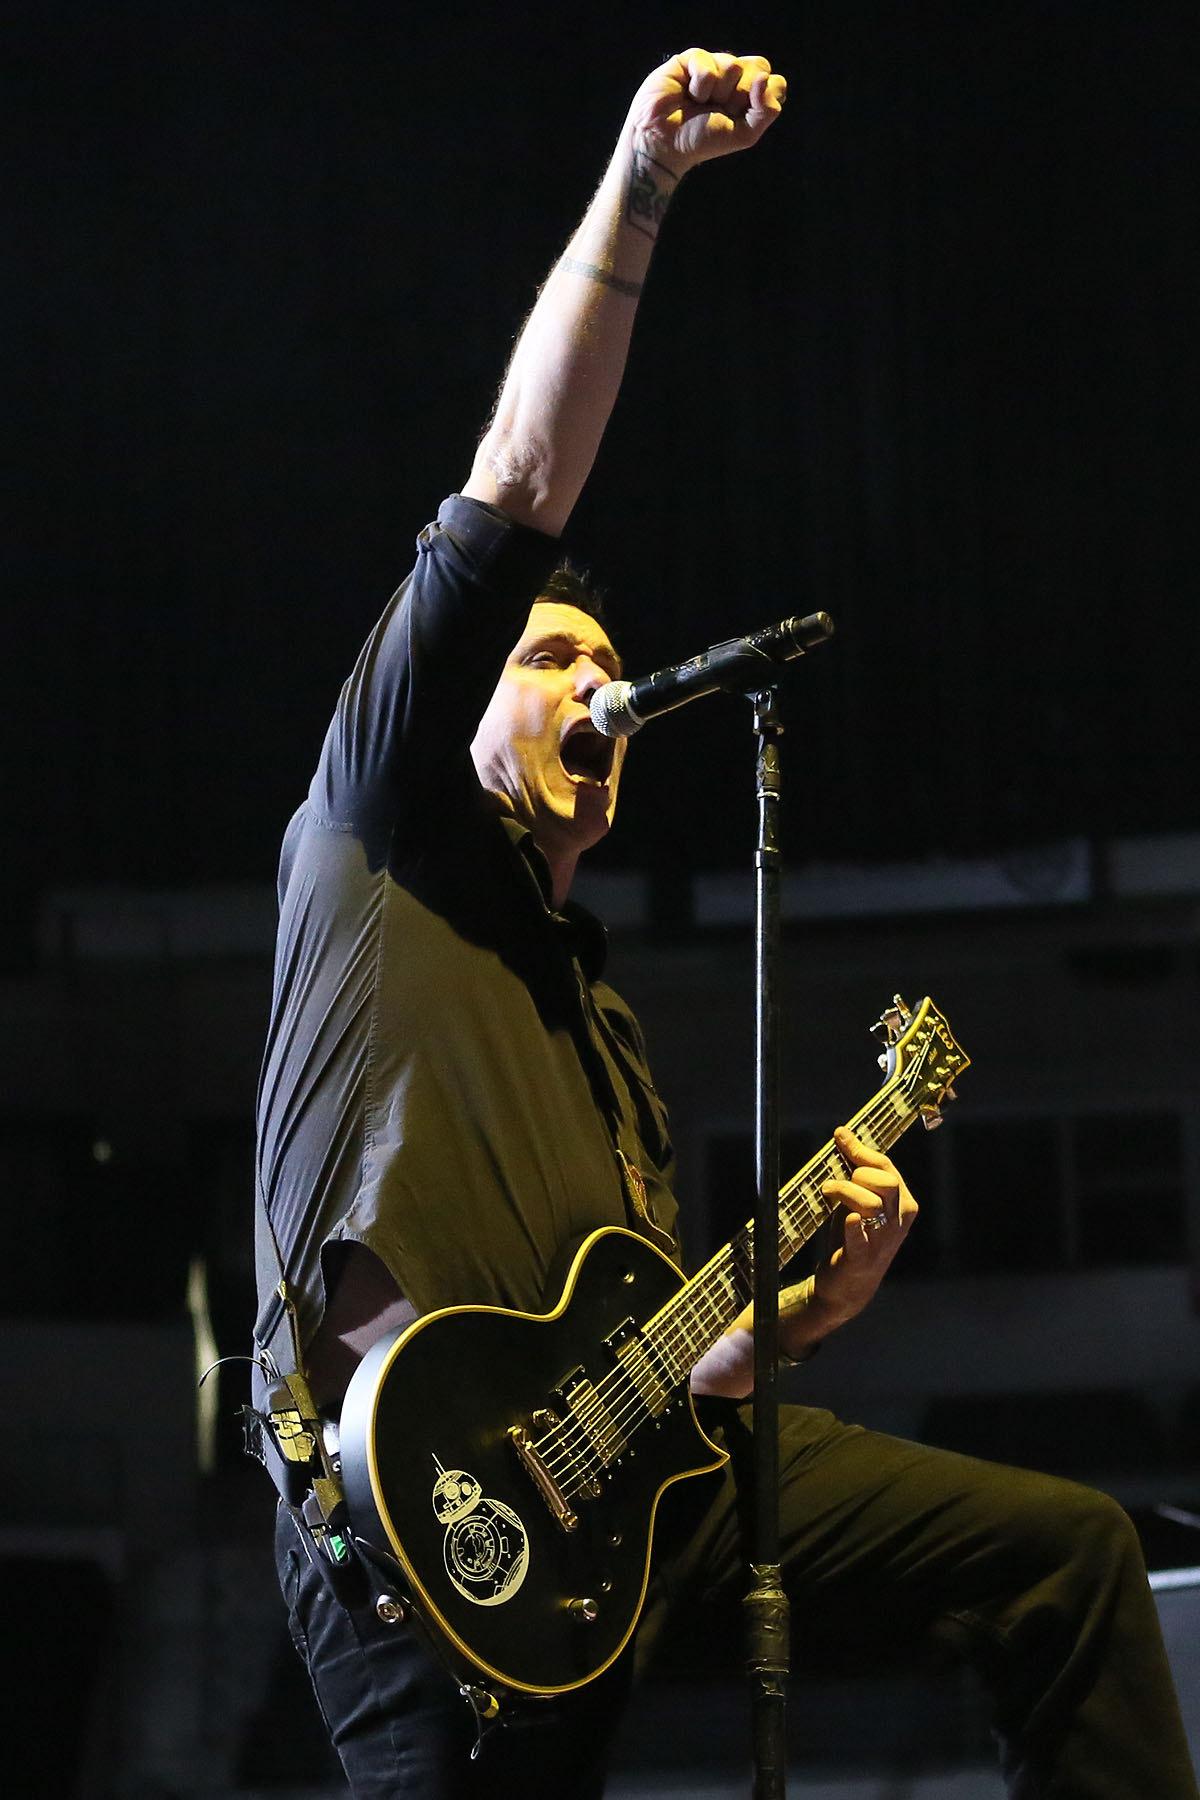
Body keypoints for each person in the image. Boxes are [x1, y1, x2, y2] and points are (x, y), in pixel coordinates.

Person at [252, 48, 1199, 1800]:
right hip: (415, 1521)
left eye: (609, 669)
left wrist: (794, 1326)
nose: (596, 691)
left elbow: (666, 1386)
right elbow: (520, 476)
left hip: (624, 1514)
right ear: (459, 701)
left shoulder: (603, 1033)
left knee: (1066, 1556)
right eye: (553, 661)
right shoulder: (376, 827)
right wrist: (640, 190)